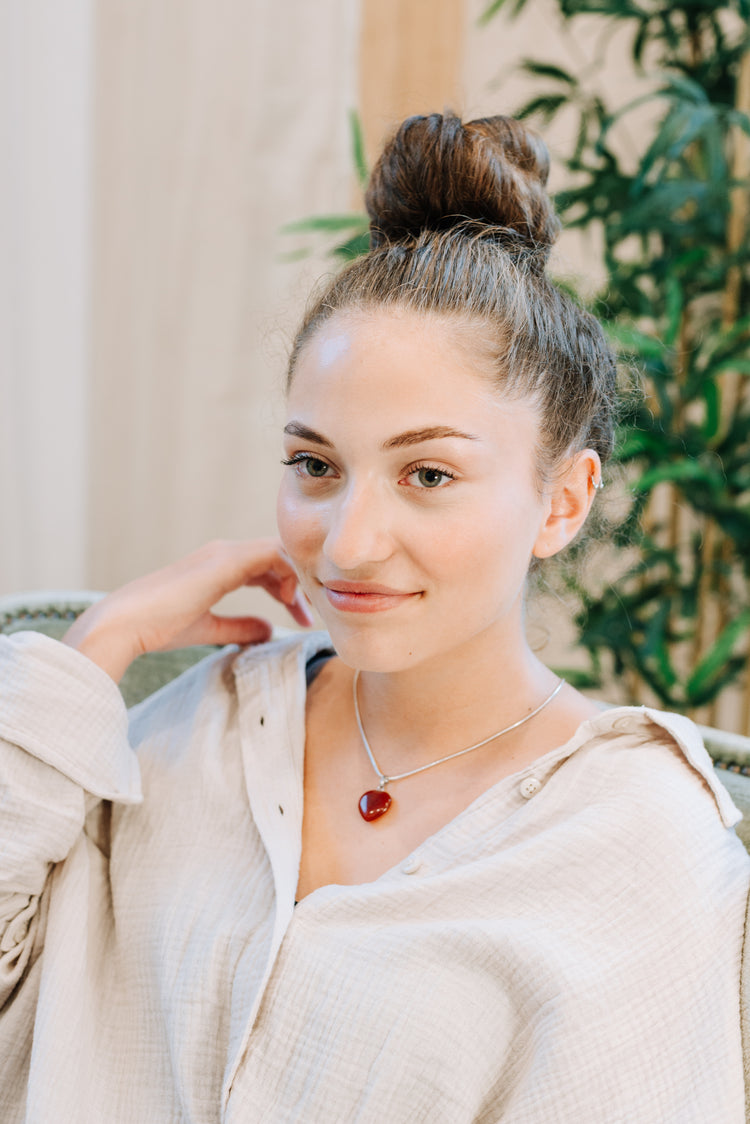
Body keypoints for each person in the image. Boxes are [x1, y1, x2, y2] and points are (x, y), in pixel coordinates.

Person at [1, 113, 748, 1124]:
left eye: (428, 473)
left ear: (563, 501)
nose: (348, 543)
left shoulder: (638, 842)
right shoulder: (200, 729)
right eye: (316, 465)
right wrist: (95, 651)